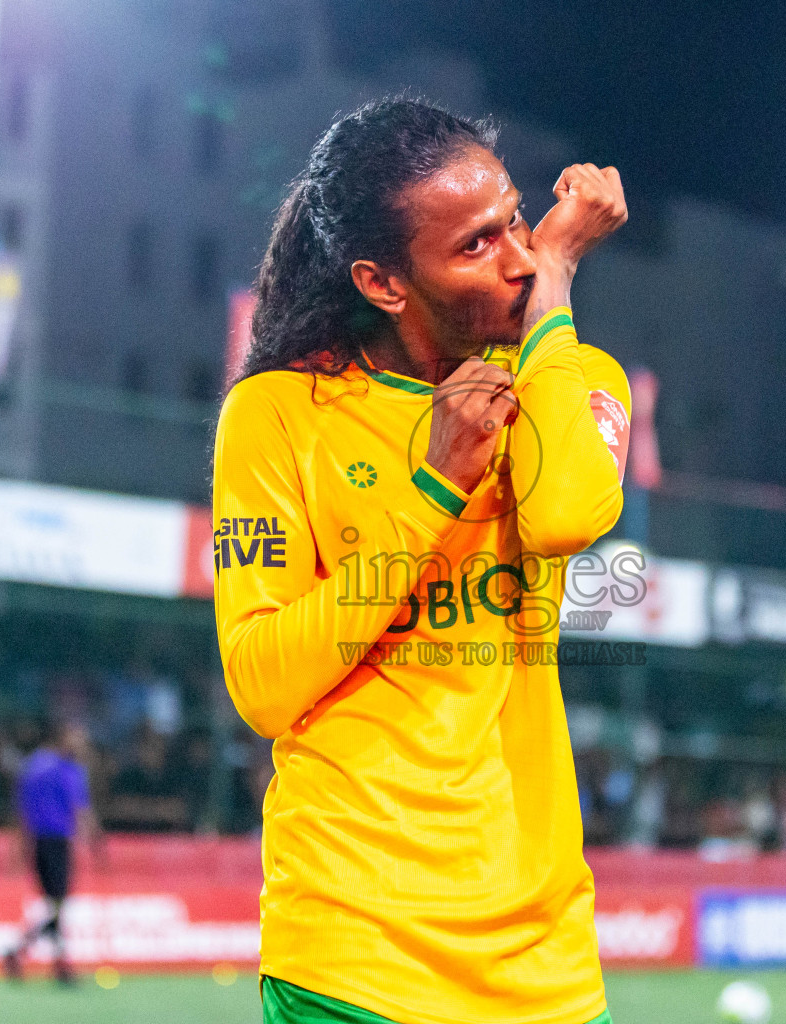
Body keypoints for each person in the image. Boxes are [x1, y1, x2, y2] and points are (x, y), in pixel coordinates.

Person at [213, 98, 630, 1024]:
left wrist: (557, 287)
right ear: (384, 282)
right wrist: (434, 487)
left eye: (518, 220)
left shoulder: (573, 380)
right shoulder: (280, 413)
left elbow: (565, 517)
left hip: (541, 957)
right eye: (475, 245)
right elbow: (262, 682)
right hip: (353, 950)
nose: (520, 256)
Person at [2, 721, 98, 985]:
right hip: (57, 844)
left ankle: (58, 964)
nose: (81, 745)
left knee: (54, 905)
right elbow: (82, 810)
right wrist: (96, 843)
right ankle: (23, 952)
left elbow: (20, 810)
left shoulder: (31, 765)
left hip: (38, 843)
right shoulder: (71, 770)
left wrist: (19, 847)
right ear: (63, 738)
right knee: (57, 905)